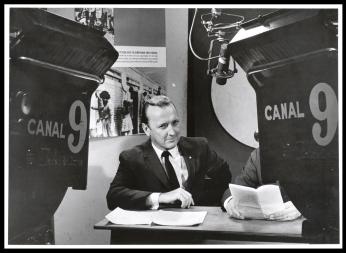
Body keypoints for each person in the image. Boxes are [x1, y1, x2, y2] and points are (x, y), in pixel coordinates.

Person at [106, 95, 232, 210]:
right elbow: (113, 197)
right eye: (163, 126)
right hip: (157, 232)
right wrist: (160, 197)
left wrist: (203, 202)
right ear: (146, 129)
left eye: (175, 123)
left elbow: (224, 177)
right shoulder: (132, 157)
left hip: (195, 227)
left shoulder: (199, 147)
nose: (172, 132)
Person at [222, 147, 302, 221]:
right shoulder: (258, 155)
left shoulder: (311, 151)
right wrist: (230, 201)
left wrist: (302, 209)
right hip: (265, 227)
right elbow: (237, 187)